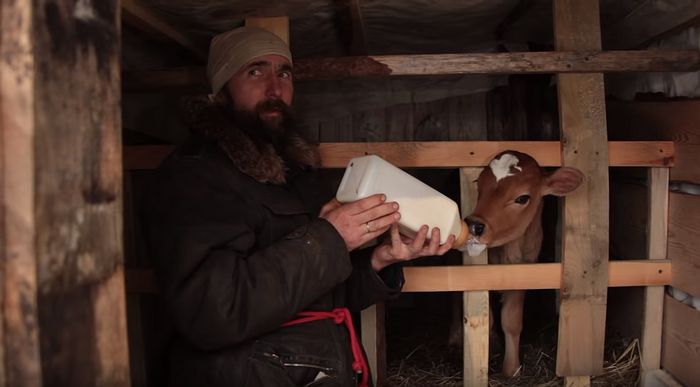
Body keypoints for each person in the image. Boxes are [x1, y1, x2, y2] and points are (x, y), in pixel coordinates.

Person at [146, 26, 455, 387]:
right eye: (255, 71)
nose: (275, 88)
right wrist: (330, 238)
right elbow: (214, 311)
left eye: (285, 73)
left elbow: (319, 293)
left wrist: (378, 260)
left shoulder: (295, 175)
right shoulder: (193, 176)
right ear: (220, 90)